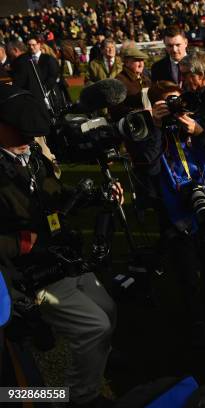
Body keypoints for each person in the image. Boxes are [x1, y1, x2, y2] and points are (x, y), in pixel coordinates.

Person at [0, 85, 122, 406]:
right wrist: (17, 243)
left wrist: (95, 196)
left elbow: (54, 201)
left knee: (108, 310)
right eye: (21, 132)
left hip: (63, 259)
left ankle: (90, 374)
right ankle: (80, 398)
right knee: (95, 327)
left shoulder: (33, 156)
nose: (30, 139)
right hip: (30, 274)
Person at [145, 80, 205, 341]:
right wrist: (157, 128)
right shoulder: (150, 132)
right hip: (176, 215)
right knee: (188, 274)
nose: (176, 107)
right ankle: (196, 317)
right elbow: (149, 168)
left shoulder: (196, 125)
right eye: (168, 103)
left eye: (178, 100)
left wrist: (199, 133)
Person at [8, 38, 60, 110]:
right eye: (29, 45)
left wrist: (44, 89)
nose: (31, 47)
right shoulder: (26, 58)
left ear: (39, 45)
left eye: (33, 45)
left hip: (49, 92)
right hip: (34, 92)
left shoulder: (48, 58)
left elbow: (53, 75)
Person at [109, 47, 151, 121]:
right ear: (127, 62)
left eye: (142, 60)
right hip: (131, 124)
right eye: (137, 60)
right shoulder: (119, 81)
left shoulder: (146, 78)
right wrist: (140, 111)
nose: (141, 64)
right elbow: (115, 110)